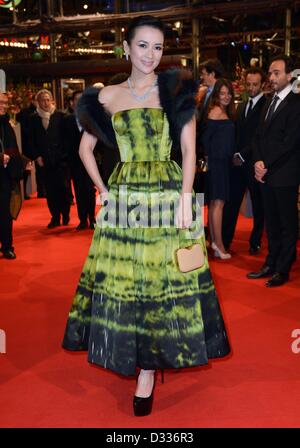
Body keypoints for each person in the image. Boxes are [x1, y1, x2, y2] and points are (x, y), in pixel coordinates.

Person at [62, 15, 230, 416]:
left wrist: (185, 200)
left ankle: (149, 370)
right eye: (142, 46)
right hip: (125, 197)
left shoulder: (175, 92)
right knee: (125, 280)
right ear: (126, 48)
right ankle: (131, 352)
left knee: (161, 281)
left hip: (167, 193)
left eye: (157, 47)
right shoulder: (105, 97)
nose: (150, 55)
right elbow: (85, 151)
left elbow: (189, 152)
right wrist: (104, 192)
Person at [247, 55, 300, 287]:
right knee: (271, 223)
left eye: (276, 72)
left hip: (285, 174)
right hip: (266, 174)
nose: (272, 77)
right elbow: (258, 136)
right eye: (270, 72)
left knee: (287, 224)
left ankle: (283, 268)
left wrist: (265, 164)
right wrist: (258, 161)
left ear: (290, 75)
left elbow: (290, 142)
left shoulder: (297, 103)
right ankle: (270, 263)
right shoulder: (269, 101)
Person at [222, 68, 266, 254]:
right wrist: (234, 154)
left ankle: (255, 242)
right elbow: (238, 133)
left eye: (255, 84)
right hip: (238, 165)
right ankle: (225, 240)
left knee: (258, 206)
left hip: (255, 163)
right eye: (248, 84)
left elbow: (260, 136)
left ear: (262, 84)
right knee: (232, 204)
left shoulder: (267, 105)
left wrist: (242, 154)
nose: (251, 87)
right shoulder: (241, 105)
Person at [202, 79, 236, 259]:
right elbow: (206, 139)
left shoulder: (223, 111)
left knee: (217, 203)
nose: (226, 96)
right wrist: (210, 158)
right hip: (217, 164)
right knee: (218, 204)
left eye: (229, 93)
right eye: (222, 93)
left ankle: (215, 242)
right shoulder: (215, 112)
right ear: (216, 95)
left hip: (222, 163)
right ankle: (219, 244)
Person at [29, 89, 70, 228]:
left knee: (63, 189)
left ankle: (65, 213)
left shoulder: (61, 116)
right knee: (50, 191)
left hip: (61, 160)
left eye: (48, 99)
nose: (45, 102)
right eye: (42, 100)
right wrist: (36, 157)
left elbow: (66, 138)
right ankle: (55, 217)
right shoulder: (33, 118)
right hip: (44, 161)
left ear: (52, 100)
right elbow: (31, 140)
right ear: (38, 102)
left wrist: (64, 156)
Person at [0, 91, 31, 259]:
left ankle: (6, 246)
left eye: (5, 103)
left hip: (5, 176)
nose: (3, 106)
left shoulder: (6, 123)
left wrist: (22, 160)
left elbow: (12, 147)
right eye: (0, 103)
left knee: (5, 212)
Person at [64, 90, 96, 230]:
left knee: (90, 190)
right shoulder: (67, 120)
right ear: (72, 102)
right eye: (77, 99)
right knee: (79, 191)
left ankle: (92, 218)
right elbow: (63, 141)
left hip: (91, 162)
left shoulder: (92, 119)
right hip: (75, 163)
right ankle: (82, 220)